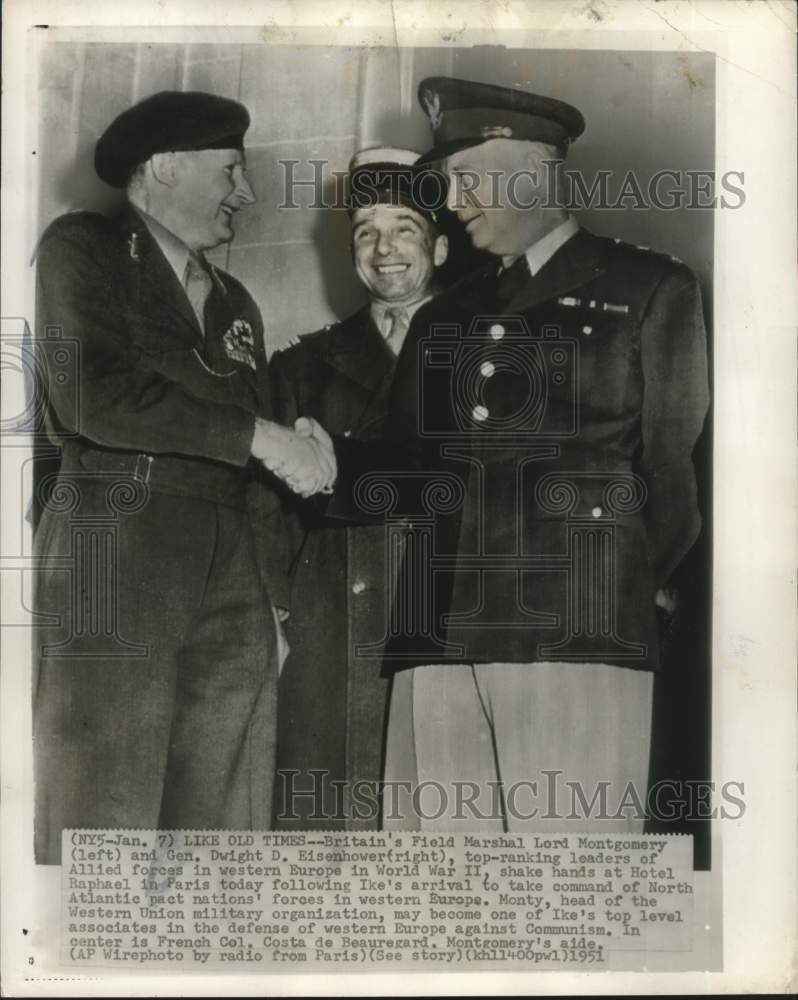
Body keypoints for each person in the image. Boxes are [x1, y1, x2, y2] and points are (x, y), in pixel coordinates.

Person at [310, 76, 710, 831]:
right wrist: (326, 463)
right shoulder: (445, 316)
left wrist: (618, 594)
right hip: (439, 636)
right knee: (439, 897)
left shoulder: (650, 287)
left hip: (576, 636)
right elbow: (412, 471)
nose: (453, 203)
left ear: (530, 169)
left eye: (464, 180)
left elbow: (674, 479)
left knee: (570, 889)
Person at [32, 90, 334, 864]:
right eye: (231, 169)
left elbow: (258, 470)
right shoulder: (86, 248)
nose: (248, 192)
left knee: (222, 815)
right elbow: (93, 395)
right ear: (163, 167)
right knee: (105, 801)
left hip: (230, 562)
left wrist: (274, 596)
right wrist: (260, 434)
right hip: (121, 534)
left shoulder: (236, 301)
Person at [269, 148, 451, 829]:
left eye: (404, 227)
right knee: (329, 819)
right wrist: (276, 614)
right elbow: (268, 514)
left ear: (439, 242)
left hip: (448, 609)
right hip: (330, 627)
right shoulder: (301, 365)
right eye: (365, 232)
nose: (384, 249)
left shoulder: (493, 349)